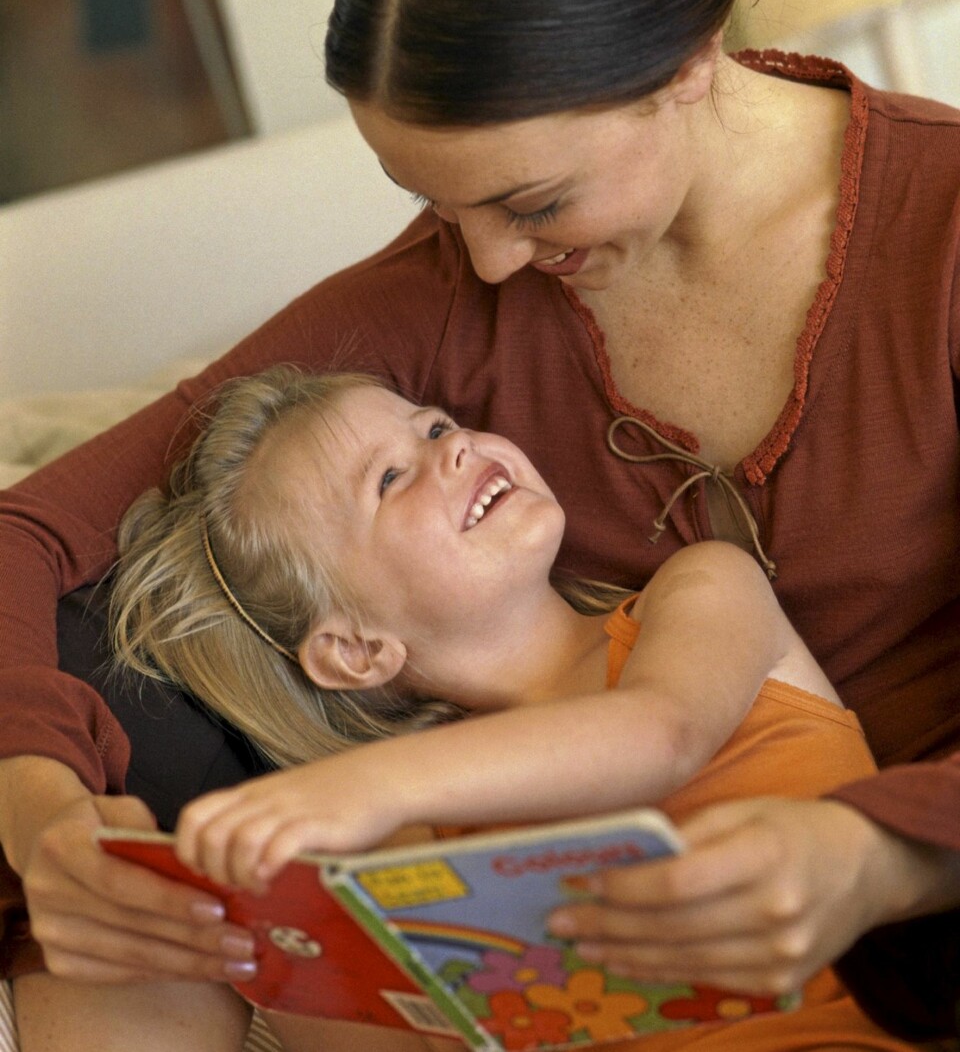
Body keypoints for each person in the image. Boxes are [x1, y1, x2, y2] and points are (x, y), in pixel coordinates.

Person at [0, 0, 957, 1046]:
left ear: (687, 60)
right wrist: (40, 811)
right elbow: (28, 532)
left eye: (534, 201)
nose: (488, 267)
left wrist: (881, 857)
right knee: (119, 657)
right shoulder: (447, 292)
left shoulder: (942, 238)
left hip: (913, 907)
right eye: (434, 204)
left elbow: (672, 727)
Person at [104, 362, 920, 1051]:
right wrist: (275, 947)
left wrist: (361, 787)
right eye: (389, 480)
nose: (453, 446)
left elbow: (657, 735)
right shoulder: (411, 847)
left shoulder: (701, 590)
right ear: (355, 650)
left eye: (432, 428)